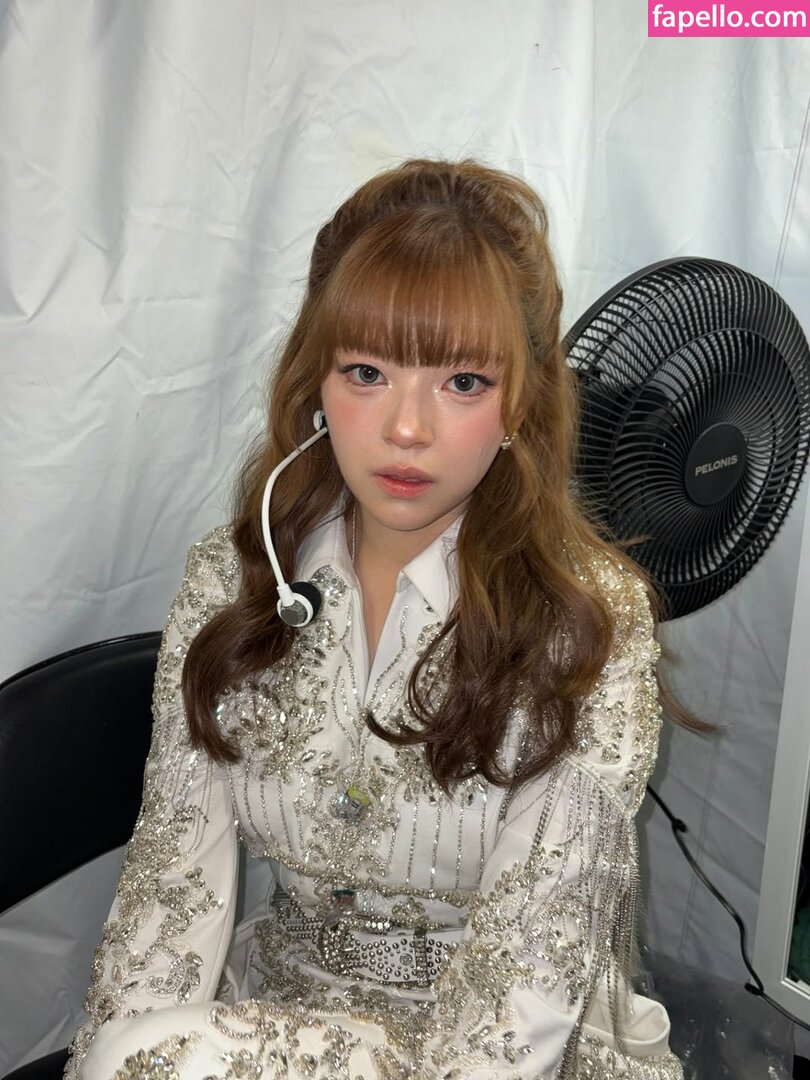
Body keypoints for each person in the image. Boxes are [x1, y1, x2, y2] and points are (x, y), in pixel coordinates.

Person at [66, 159, 688, 1079]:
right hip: (275, 1020)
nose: (406, 429)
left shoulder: (588, 623)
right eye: (366, 371)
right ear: (315, 381)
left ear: (520, 400)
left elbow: (525, 986)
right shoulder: (232, 582)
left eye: (462, 382)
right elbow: (169, 899)